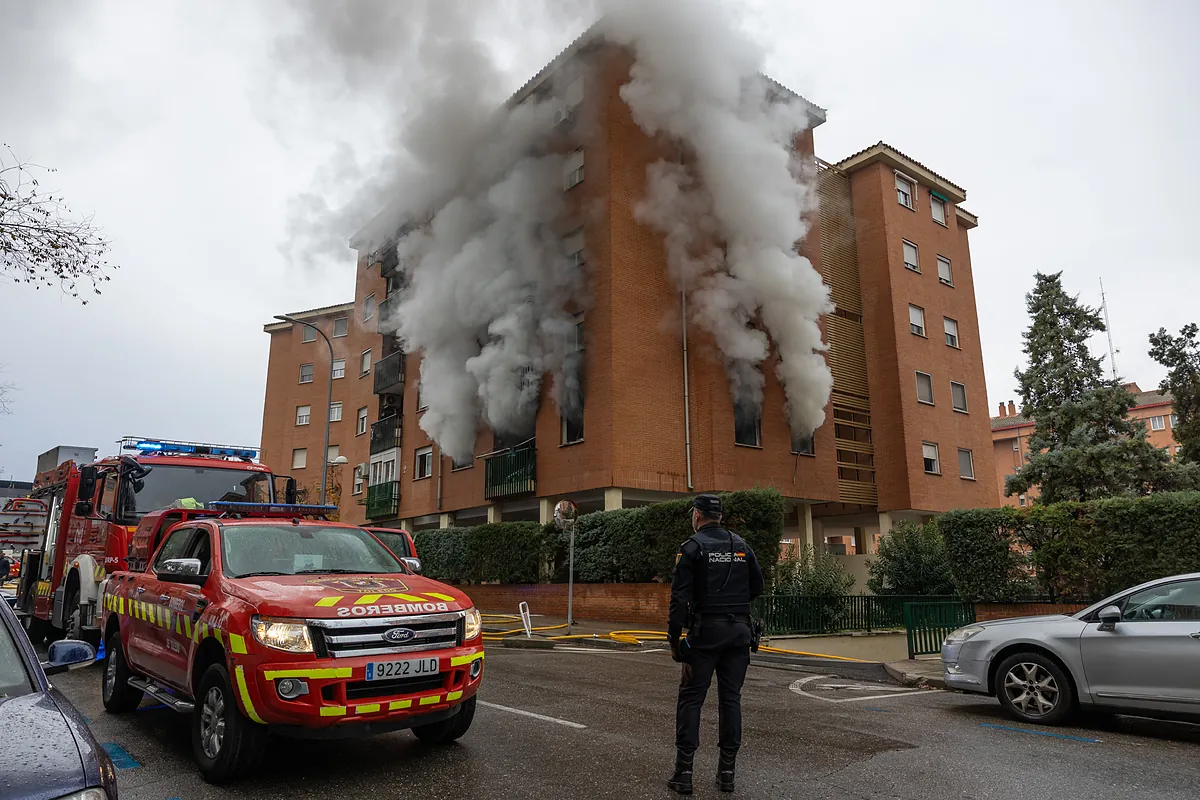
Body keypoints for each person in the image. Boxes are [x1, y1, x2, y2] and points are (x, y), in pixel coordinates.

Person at [667, 493, 764, 794]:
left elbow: (679, 599)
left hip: (705, 633)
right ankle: (727, 774)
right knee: (731, 699)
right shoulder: (741, 545)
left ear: (697, 515)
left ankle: (684, 774)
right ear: (720, 516)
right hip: (739, 633)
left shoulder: (692, 547)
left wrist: (674, 639)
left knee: (691, 699)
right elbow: (757, 586)